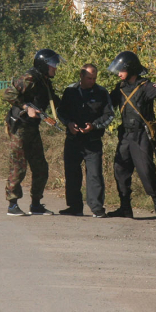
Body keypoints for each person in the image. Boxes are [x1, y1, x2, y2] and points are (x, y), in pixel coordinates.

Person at [107, 51, 156, 221]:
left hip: (141, 136)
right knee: (120, 170)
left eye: (121, 70)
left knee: (146, 171)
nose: (118, 74)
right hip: (125, 135)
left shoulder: (145, 86)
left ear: (131, 69)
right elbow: (107, 103)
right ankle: (125, 208)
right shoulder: (120, 88)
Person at [2, 49, 61, 217]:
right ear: (43, 65)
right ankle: (12, 205)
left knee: (41, 167)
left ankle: (36, 204)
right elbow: (7, 94)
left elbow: (55, 102)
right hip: (19, 127)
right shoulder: (30, 78)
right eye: (53, 65)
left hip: (32, 129)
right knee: (18, 166)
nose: (55, 68)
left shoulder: (44, 81)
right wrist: (26, 108)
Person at [58, 63, 114, 218]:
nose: (92, 81)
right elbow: (60, 112)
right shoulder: (70, 91)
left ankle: (97, 207)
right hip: (73, 139)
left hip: (92, 140)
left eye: (94, 78)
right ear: (81, 76)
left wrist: (94, 126)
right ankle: (74, 207)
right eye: (89, 78)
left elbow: (109, 115)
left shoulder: (102, 92)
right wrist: (68, 123)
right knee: (72, 173)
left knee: (94, 174)